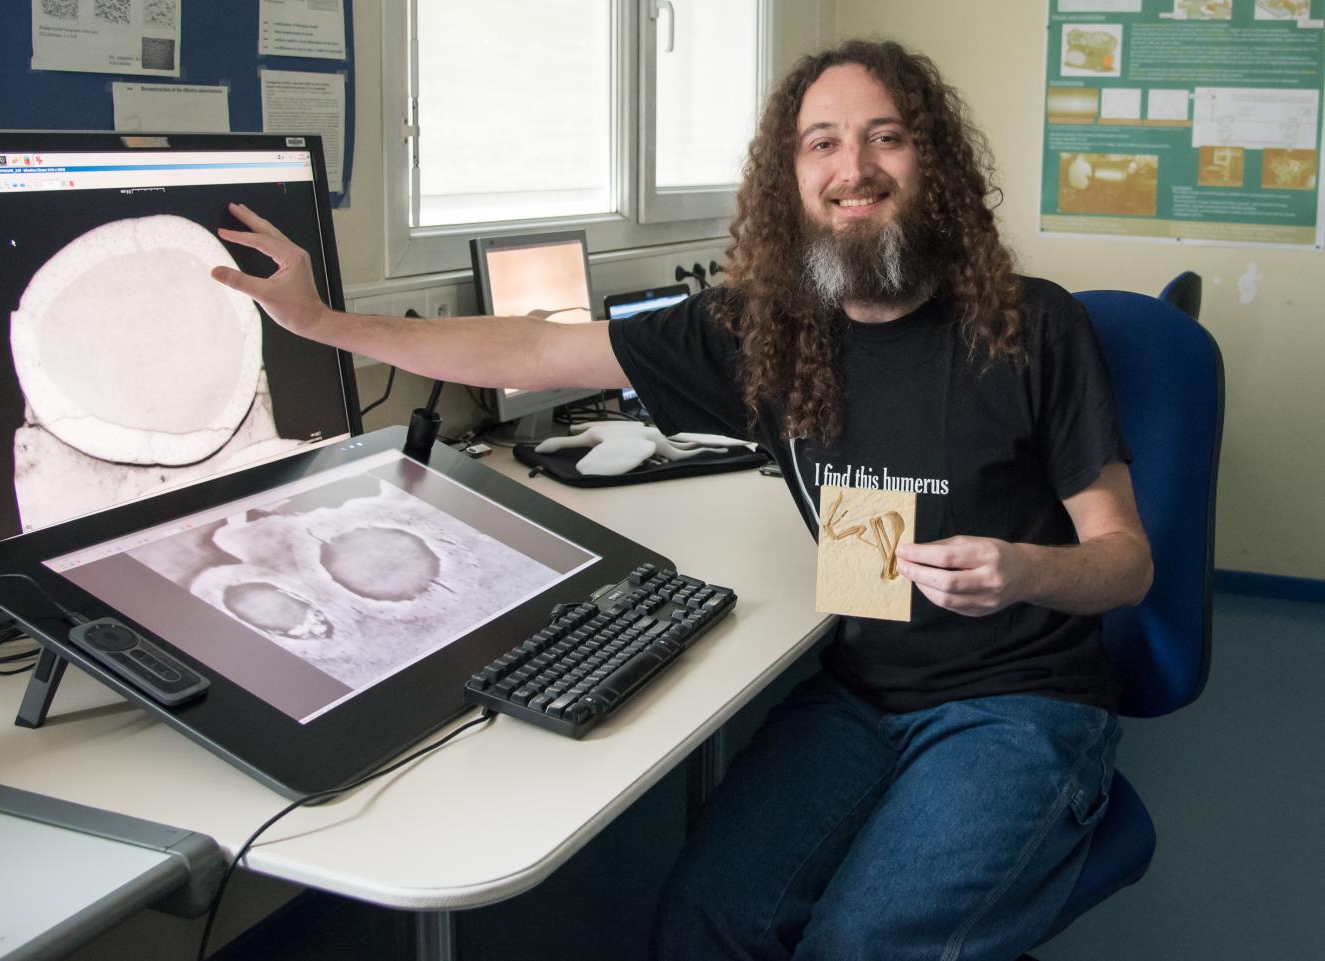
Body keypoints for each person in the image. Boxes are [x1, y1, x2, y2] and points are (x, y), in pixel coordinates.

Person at [212, 38, 1153, 961]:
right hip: (863, 697)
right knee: (705, 922)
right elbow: (538, 353)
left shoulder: (1031, 326)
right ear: (790, 179)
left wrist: (1023, 567)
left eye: (886, 137)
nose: (853, 167)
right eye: (821, 142)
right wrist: (327, 325)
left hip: (1022, 703)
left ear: (932, 161)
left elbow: (1124, 560)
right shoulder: (767, 332)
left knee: (860, 943)